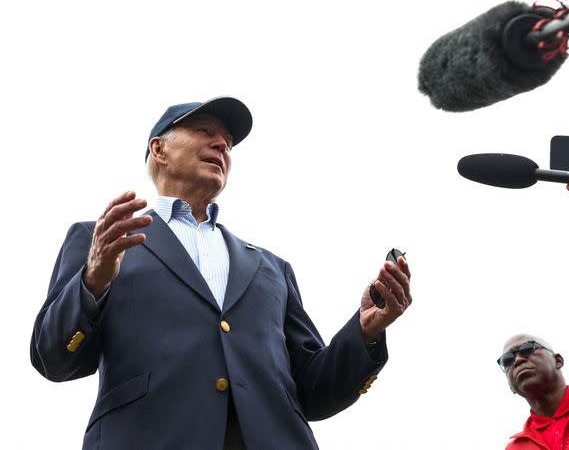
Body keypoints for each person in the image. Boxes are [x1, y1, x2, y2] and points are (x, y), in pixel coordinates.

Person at [30, 97, 413, 449]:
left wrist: (364, 331)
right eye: (204, 132)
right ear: (158, 148)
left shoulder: (270, 268)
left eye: (227, 143)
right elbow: (54, 358)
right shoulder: (102, 239)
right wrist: (93, 280)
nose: (221, 146)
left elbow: (312, 391)